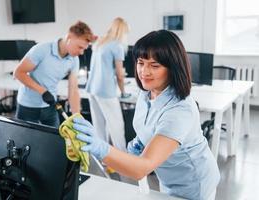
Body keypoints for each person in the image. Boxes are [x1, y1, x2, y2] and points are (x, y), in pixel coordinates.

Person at [73, 30, 220, 200]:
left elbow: (143, 168)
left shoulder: (180, 111)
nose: (144, 71)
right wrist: (139, 143)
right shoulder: (146, 93)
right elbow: (148, 128)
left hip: (194, 184)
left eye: (154, 65)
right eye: (140, 62)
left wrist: (102, 148)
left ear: (173, 68)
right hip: (168, 179)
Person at [14, 21, 96, 128]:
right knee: (27, 142)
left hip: (51, 106)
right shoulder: (42, 49)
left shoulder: (74, 60)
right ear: (69, 37)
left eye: (84, 49)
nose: (81, 52)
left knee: (54, 141)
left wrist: (76, 117)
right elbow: (19, 73)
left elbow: (73, 90)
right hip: (28, 106)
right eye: (80, 47)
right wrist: (42, 91)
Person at [85, 17, 130, 151]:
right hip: (106, 91)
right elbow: (120, 75)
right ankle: (123, 161)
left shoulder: (100, 42)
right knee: (117, 127)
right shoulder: (117, 46)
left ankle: (102, 160)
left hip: (92, 89)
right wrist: (123, 93)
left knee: (99, 127)